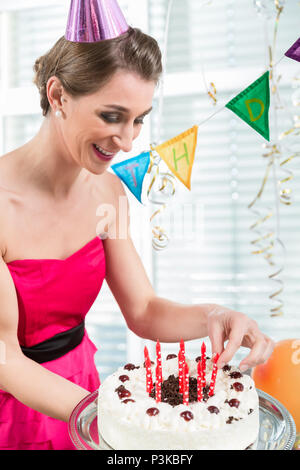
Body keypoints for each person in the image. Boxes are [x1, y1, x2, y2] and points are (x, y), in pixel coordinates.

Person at [0, 2, 274, 451]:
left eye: (139, 120)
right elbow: (5, 357)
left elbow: (143, 310)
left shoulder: (107, 193)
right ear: (58, 96)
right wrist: (120, 419)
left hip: (86, 394)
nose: (128, 141)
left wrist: (215, 317)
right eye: (112, 116)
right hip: (20, 412)